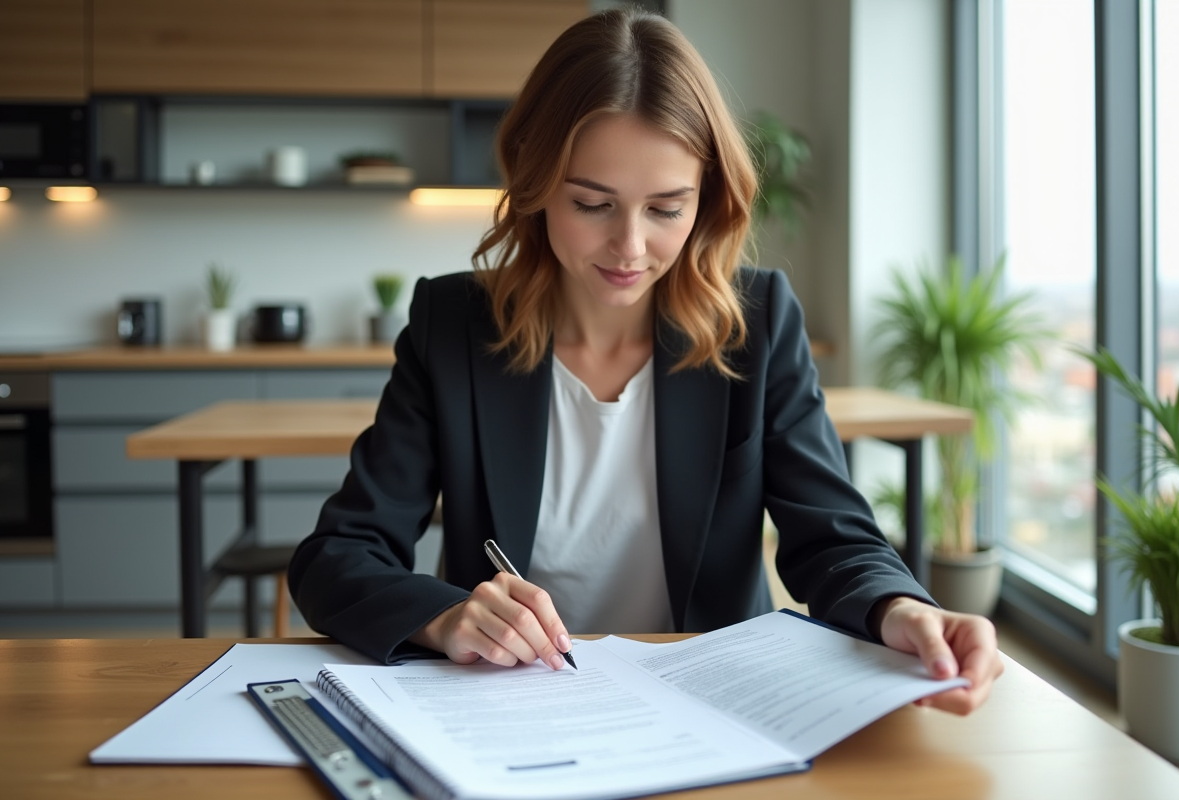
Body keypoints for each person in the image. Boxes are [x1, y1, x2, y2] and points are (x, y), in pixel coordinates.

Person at [289, 6, 1002, 716]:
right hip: (508, 705)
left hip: (713, 706)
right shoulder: (451, 326)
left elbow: (833, 539)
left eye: (666, 208)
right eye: (593, 203)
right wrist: (442, 617)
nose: (630, 247)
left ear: (708, 200)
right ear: (536, 184)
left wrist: (903, 610)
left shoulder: (758, 321)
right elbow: (339, 555)